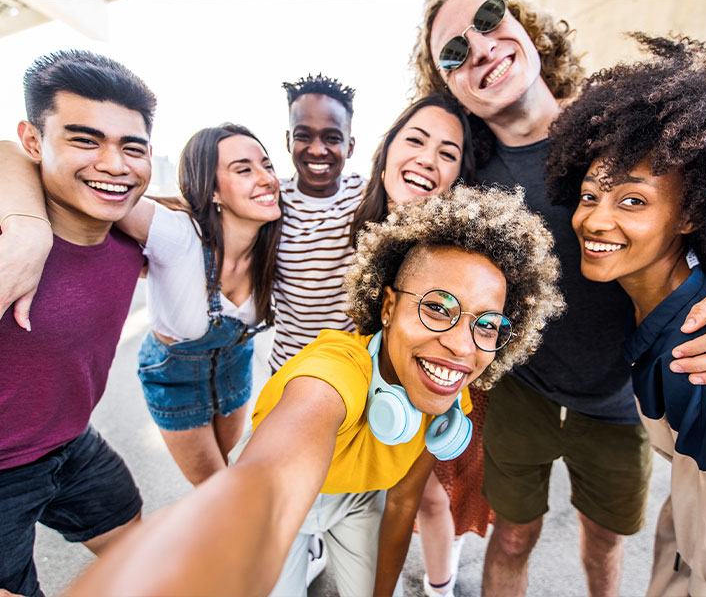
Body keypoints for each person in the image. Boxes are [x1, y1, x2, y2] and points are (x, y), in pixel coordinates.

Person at [410, 0, 706, 595]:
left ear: (523, 24)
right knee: (511, 538)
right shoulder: (462, 168)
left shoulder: (626, 128)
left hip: (624, 403)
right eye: (455, 52)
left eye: (488, 18)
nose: (481, 47)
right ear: (449, 88)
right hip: (524, 394)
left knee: (604, 542)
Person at [63, 185, 565, 597]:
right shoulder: (332, 370)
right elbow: (268, 483)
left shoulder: (449, 393)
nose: (460, 345)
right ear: (388, 306)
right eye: (437, 307)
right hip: (296, 504)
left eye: (487, 323)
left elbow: (401, 505)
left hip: (360, 502)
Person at [547, 32, 706, 596]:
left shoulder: (705, 350)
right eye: (590, 195)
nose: (595, 220)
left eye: (633, 200)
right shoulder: (672, 300)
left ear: (689, 215)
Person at [2, 123, 283, 488]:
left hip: (235, 368)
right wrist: (27, 228)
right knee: (217, 488)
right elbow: (24, 160)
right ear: (212, 190)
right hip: (176, 377)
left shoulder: (279, 238)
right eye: (244, 169)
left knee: (224, 472)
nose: (266, 179)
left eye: (268, 165)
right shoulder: (175, 234)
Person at [0, 50, 156, 597]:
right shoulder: (8, 246)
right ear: (34, 141)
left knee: (138, 548)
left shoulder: (130, 240)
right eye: (85, 140)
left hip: (69, 444)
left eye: (131, 147)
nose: (115, 164)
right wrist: (23, 228)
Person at [350, 92, 490, 597]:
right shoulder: (349, 216)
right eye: (416, 140)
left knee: (428, 499)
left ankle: (439, 586)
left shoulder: (457, 246)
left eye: (448, 153)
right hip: (356, 389)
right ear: (386, 150)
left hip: (424, 392)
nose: (429, 159)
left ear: (457, 176)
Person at [269, 72, 366, 371]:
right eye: (303, 135)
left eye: (332, 138)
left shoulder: (366, 195)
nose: (317, 149)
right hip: (287, 366)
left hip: (346, 368)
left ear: (350, 146)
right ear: (288, 140)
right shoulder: (270, 199)